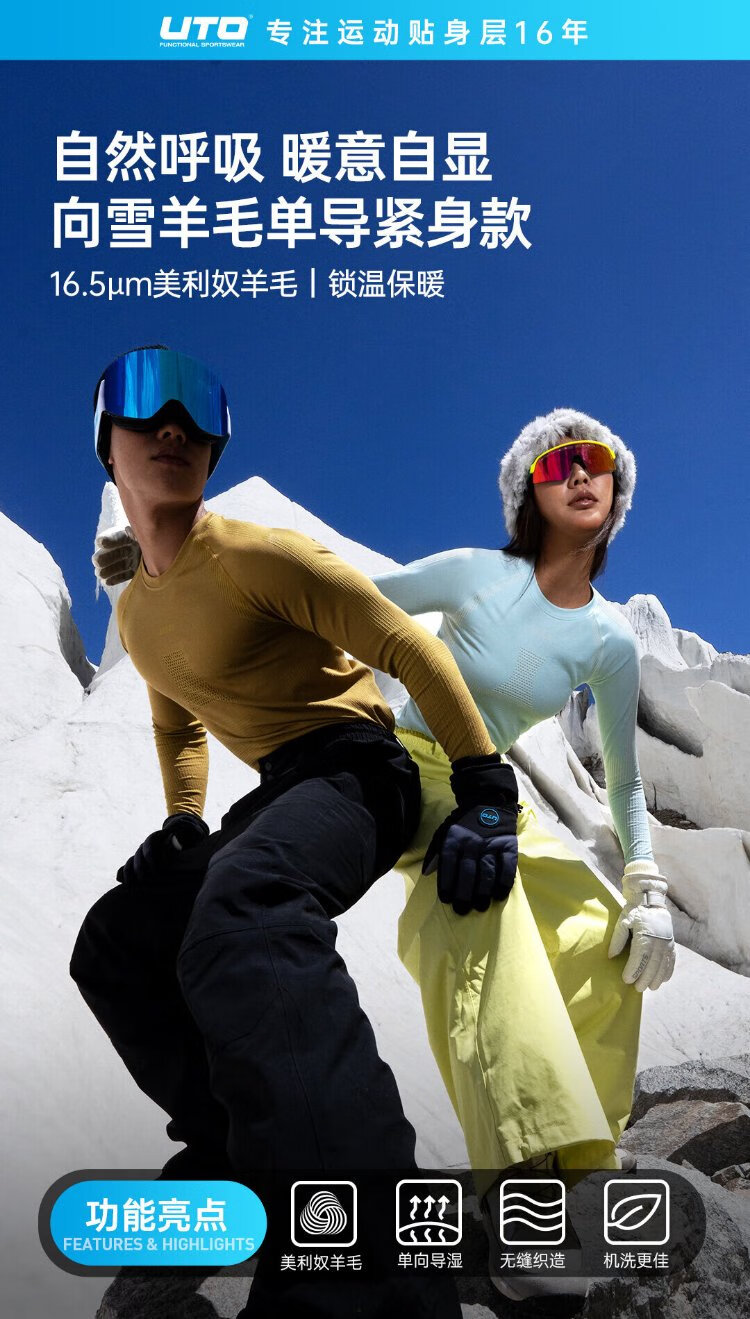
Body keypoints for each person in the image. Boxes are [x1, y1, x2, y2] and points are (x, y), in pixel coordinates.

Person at [72, 345, 524, 1319]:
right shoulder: (141, 616)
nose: (174, 423)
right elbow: (177, 722)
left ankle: (376, 1276)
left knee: (247, 914)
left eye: (200, 410)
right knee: (115, 943)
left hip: (359, 766)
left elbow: (404, 641)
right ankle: (230, 1139)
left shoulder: (256, 556)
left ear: (216, 446)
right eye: (144, 399)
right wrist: (184, 820)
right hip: (278, 787)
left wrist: (486, 783)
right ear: (105, 441)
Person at [371, 407, 676, 1302]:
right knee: (481, 904)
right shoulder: (477, 572)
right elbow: (349, 601)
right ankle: (519, 1191)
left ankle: (584, 1164)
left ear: (616, 491)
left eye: (597, 459)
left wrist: (647, 886)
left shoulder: (609, 639)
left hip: (490, 783)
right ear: (526, 495)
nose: (579, 472)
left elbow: (624, 780)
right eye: (555, 463)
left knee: (600, 939)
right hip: (413, 765)